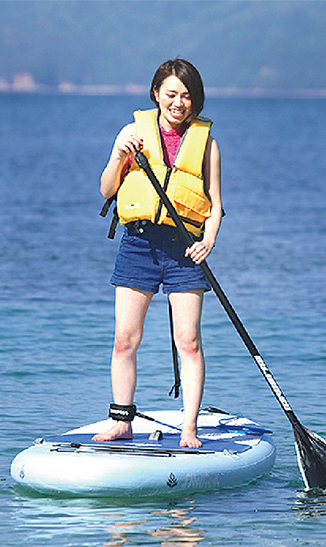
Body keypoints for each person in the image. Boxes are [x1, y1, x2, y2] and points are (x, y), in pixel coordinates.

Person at [94, 59, 222, 448]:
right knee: (124, 340)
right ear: (156, 94)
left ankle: (189, 428)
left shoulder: (207, 144)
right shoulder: (133, 133)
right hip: (138, 245)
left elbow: (215, 203)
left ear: (194, 100)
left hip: (184, 249)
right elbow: (106, 190)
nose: (178, 103)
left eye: (186, 96)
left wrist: (209, 240)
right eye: (171, 94)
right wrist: (119, 155)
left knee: (190, 342)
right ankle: (121, 421)